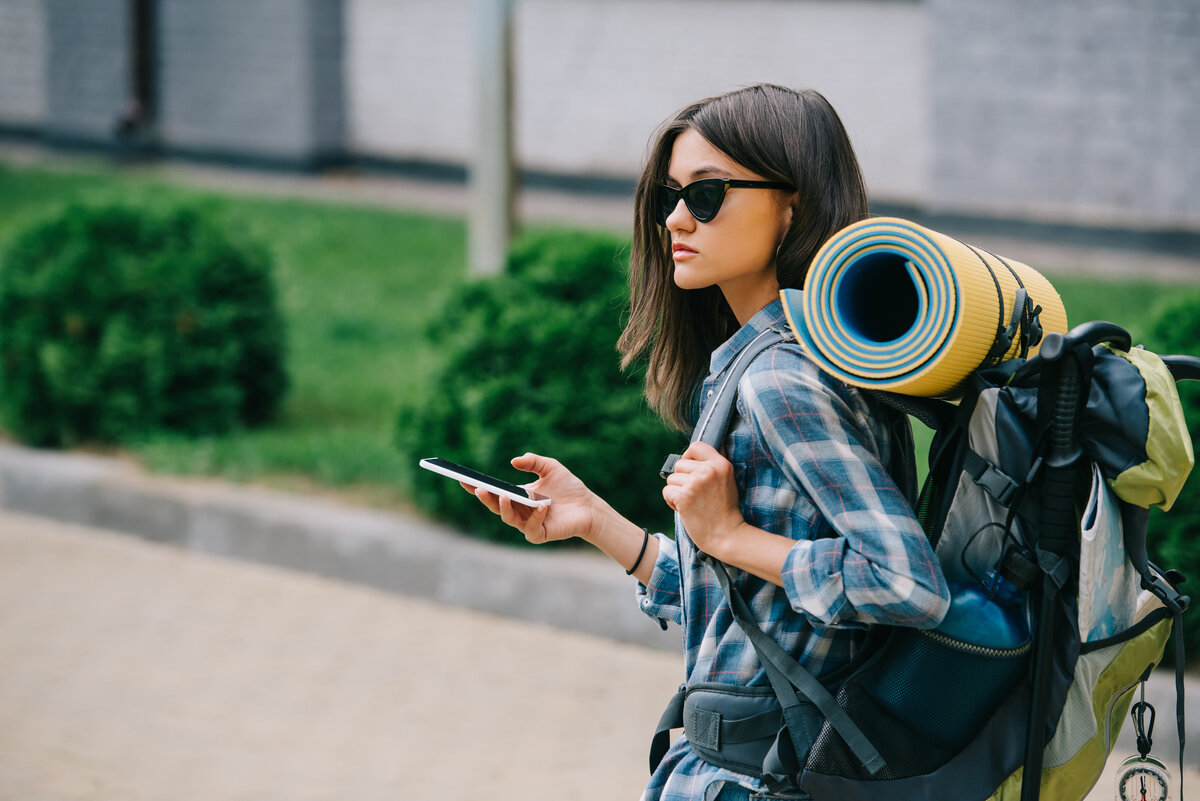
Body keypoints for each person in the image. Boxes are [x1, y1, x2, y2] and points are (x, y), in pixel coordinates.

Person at [464, 84, 950, 801]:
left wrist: (728, 535)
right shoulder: (773, 360)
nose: (675, 219)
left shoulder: (782, 379)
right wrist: (600, 524)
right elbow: (746, 603)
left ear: (794, 205)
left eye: (708, 194)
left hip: (756, 778)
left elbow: (907, 583)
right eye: (670, 196)